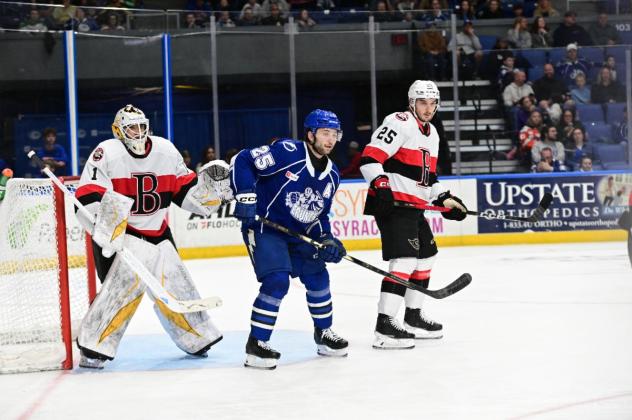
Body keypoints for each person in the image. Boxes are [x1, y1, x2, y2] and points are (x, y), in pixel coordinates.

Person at [73, 105, 228, 369]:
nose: (138, 132)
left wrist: (211, 193)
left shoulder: (165, 150)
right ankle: (93, 347)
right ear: (118, 131)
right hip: (123, 235)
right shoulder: (106, 152)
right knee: (120, 293)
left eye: (141, 126)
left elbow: (185, 192)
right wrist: (105, 228)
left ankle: (197, 336)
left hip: (158, 231)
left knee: (177, 284)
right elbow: (89, 193)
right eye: (131, 127)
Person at [230, 109, 349, 369]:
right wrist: (247, 196)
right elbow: (243, 160)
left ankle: (324, 333)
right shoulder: (288, 151)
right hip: (265, 226)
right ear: (310, 134)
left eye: (334, 134)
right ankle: (257, 344)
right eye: (324, 133)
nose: (330, 139)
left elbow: (318, 214)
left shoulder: (333, 174)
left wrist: (327, 239)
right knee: (277, 281)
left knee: (319, 277)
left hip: (299, 234)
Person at [359, 80, 468, 349]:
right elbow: (370, 157)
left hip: (414, 207)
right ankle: (384, 327)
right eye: (422, 102)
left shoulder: (432, 135)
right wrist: (381, 185)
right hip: (394, 206)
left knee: (426, 256)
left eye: (432, 103)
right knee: (405, 261)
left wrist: (445, 199)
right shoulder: (399, 122)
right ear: (411, 102)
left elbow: (427, 178)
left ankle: (413, 316)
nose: (428, 108)